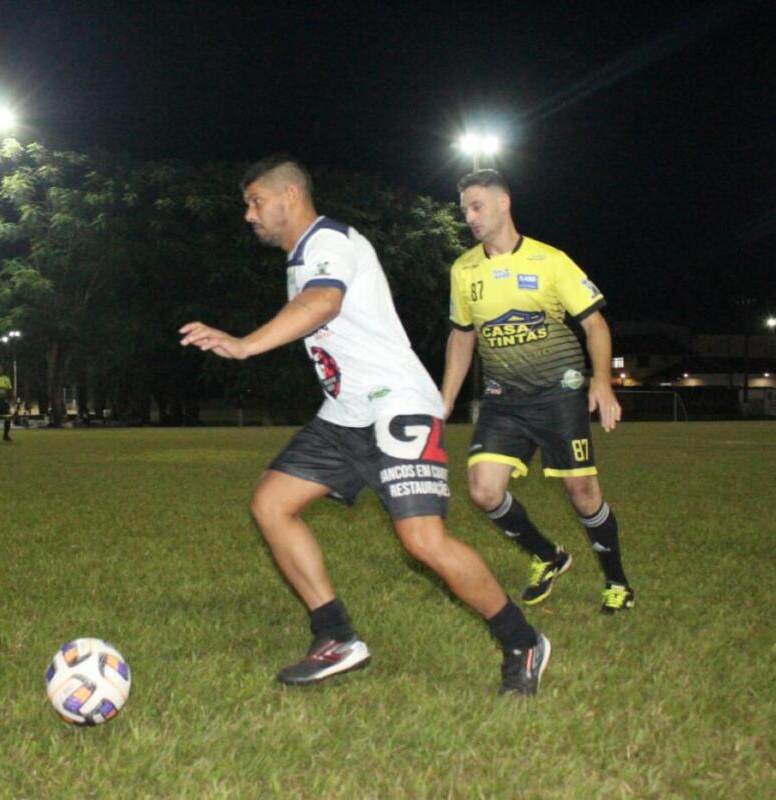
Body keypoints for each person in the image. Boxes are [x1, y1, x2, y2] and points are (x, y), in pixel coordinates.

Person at [180, 156, 550, 695]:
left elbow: (322, 303)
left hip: (397, 404)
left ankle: (522, 641)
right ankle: (336, 636)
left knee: (423, 540)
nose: (249, 214)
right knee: (271, 503)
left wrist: (245, 345)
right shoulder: (301, 257)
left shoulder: (329, 242)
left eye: (256, 201)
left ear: (290, 195)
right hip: (346, 413)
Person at [440, 169, 635, 614]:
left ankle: (618, 583)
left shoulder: (550, 261)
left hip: (557, 394)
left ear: (503, 202)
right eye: (465, 210)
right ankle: (547, 555)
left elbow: (595, 324)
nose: (470, 217)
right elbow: (462, 336)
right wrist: (446, 397)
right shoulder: (464, 269)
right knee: (483, 491)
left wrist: (602, 381)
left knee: (582, 492)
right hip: (503, 399)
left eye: (477, 206)